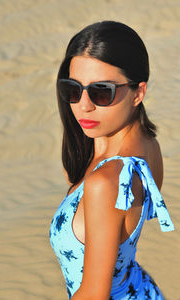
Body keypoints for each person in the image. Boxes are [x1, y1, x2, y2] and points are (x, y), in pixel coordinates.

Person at [49, 21, 174, 300]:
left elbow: (95, 294)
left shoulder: (106, 182)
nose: (84, 105)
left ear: (138, 93)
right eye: (73, 89)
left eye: (101, 91)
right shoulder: (147, 145)